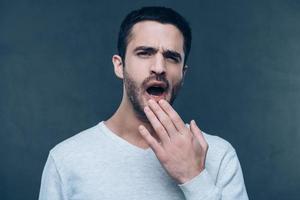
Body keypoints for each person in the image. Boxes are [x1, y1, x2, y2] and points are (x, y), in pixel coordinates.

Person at [39, 6, 248, 200]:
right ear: (119, 66)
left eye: (172, 57)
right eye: (144, 53)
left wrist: (194, 178)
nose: (159, 67)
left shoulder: (218, 155)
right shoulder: (66, 160)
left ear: (183, 74)